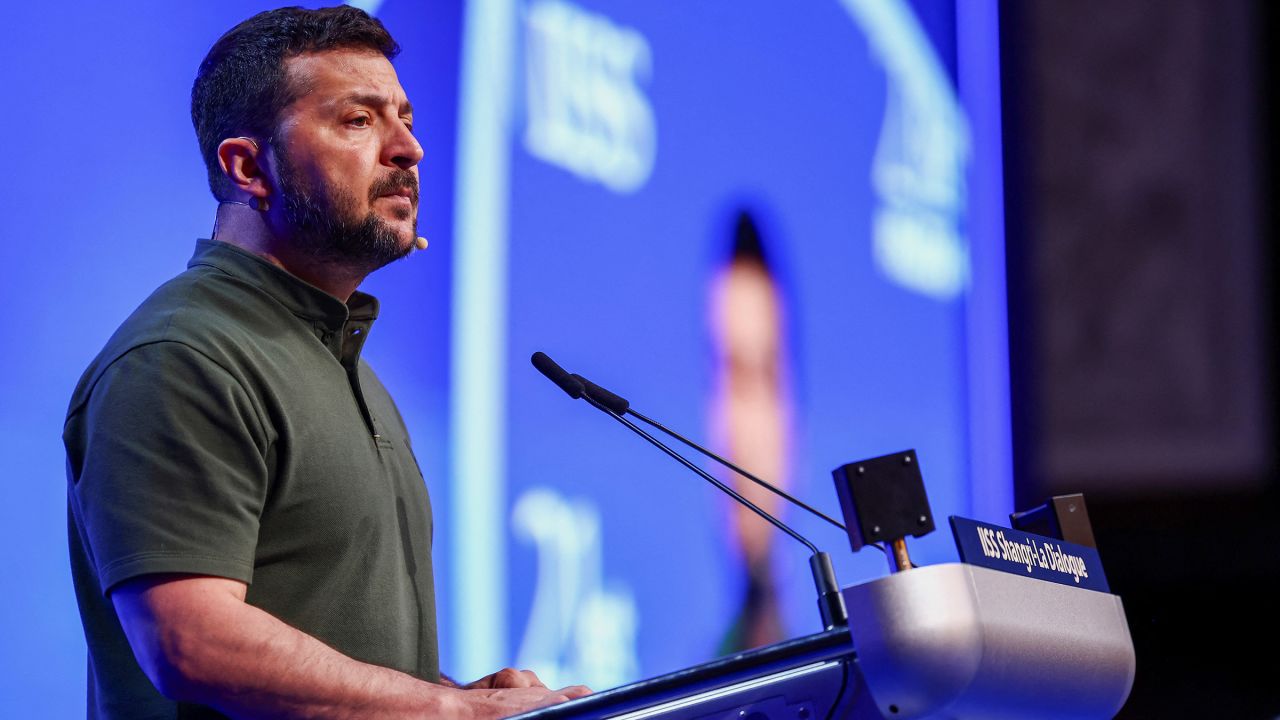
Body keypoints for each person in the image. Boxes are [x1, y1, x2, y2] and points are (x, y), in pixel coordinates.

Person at [63, 6, 588, 719]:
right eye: (359, 121)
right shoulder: (183, 358)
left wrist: (454, 695)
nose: (409, 149)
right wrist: (451, 713)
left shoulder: (344, 363)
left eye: (405, 117)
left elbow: (324, 654)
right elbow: (191, 642)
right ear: (248, 166)